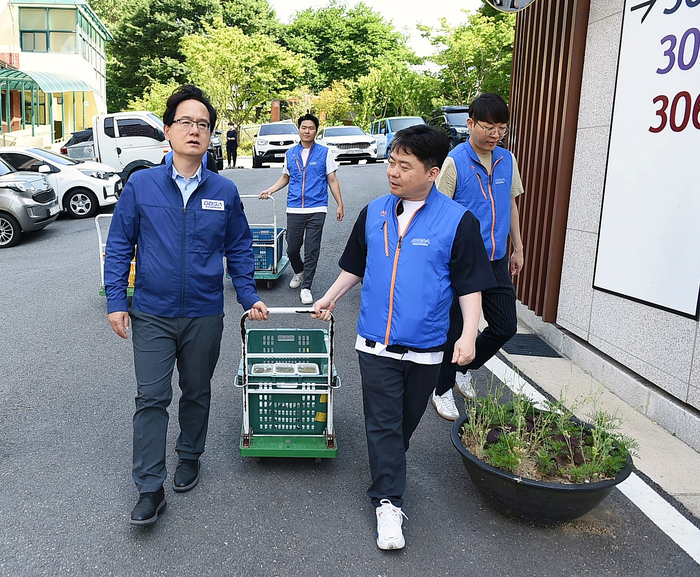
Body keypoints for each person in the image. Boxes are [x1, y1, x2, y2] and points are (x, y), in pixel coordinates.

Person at [312, 125, 495, 550]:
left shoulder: (457, 221)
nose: (392, 171)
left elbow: (469, 286)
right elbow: (355, 266)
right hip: (374, 343)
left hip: (427, 348)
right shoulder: (374, 211)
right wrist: (330, 297)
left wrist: (468, 336)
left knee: (402, 427)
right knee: (383, 425)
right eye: (391, 161)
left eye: (404, 165)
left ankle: (388, 469)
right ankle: (388, 503)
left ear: (432, 173)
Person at [105, 85, 269, 527]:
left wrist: (249, 295)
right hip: (152, 313)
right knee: (151, 397)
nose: (194, 130)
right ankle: (149, 487)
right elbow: (120, 244)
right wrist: (117, 300)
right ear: (168, 130)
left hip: (203, 312)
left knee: (196, 390)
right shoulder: (141, 185)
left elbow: (239, 246)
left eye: (203, 124)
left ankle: (190, 454)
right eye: (185, 122)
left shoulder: (224, 190)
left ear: (211, 134)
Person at [430, 92, 525, 421]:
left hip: (498, 258)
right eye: (488, 127)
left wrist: (519, 247)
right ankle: (441, 389)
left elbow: (511, 204)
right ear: (470, 124)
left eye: (502, 128)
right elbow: (438, 211)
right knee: (456, 329)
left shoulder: (507, 160)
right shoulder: (455, 161)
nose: (495, 134)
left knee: (504, 325)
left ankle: (464, 367)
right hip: (464, 261)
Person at [259, 113, 344, 305]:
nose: (307, 131)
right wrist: (269, 190)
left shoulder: (324, 153)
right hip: (295, 207)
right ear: (299, 129)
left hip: (317, 207)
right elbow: (285, 177)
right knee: (292, 248)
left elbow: (332, 179)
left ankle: (306, 287)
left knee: (312, 249)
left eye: (311, 128)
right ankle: (299, 271)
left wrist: (340, 203)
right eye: (304, 127)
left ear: (316, 130)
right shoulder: (291, 153)